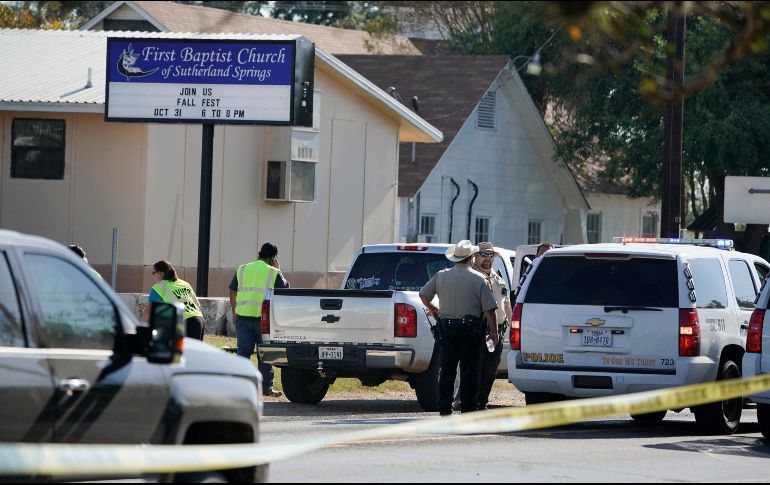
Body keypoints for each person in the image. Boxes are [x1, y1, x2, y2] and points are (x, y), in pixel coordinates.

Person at [419, 240, 498, 416]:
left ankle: (445, 407)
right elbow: (490, 310)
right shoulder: (479, 279)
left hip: (446, 329)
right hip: (471, 331)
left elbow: (423, 294)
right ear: (471, 258)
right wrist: (494, 331)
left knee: (447, 370)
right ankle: (467, 408)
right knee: (469, 370)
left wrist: (434, 309)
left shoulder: (441, 275)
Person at [230, 242, 289, 398]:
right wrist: (279, 270)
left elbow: (232, 291)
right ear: (272, 259)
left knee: (243, 352)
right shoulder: (273, 272)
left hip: (242, 317)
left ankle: (238, 386)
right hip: (263, 320)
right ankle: (266, 388)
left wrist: (234, 312)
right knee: (265, 355)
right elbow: (286, 291)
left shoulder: (242, 268)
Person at [473, 242, 513, 410]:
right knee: (475, 367)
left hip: (497, 330)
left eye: (491, 255)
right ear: (475, 256)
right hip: (478, 329)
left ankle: (482, 401)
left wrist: (510, 326)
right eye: (484, 254)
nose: (487, 258)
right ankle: (470, 401)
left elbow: (506, 304)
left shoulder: (498, 278)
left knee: (491, 370)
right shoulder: (472, 277)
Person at [142, 260, 205, 340]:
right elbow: (197, 305)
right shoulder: (185, 283)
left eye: (154, 273)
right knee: (195, 351)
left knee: (181, 351)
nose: (153, 275)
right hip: (199, 319)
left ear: (161, 273)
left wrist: (142, 328)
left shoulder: (158, 287)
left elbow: (148, 311)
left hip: (184, 322)